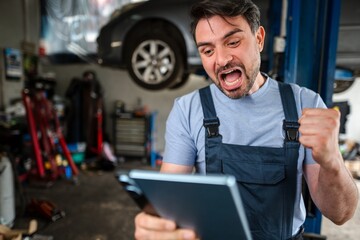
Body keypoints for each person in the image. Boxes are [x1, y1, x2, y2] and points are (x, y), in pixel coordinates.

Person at [134, 0, 359, 239]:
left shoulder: (304, 104)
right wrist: (157, 225)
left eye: (233, 42)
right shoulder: (189, 110)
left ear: (259, 39)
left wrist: (332, 161)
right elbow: (171, 200)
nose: (221, 60)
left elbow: (340, 214)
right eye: (208, 50)